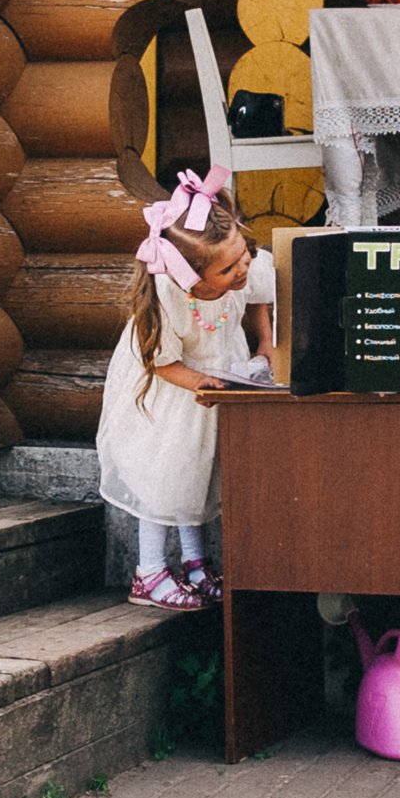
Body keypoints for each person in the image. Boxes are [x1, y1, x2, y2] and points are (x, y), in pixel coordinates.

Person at [97, 165, 275, 611]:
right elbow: (160, 362)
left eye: (243, 255)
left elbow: (257, 295)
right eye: (228, 269)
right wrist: (201, 381)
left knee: (197, 477)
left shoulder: (235, 263)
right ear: (191, 277)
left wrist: (267, 341)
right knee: (167, 480)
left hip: (212, 387)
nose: (242, 269)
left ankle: (196, 563)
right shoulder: (168, 296)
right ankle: (149, 571)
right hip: (172, 394)